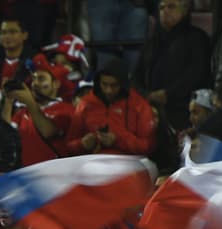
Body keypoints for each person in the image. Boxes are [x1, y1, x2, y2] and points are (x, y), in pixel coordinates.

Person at [131, 0, 211, 135]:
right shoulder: (151, 41)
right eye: (161, 8)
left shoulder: (197, 38)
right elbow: (135, 77)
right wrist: (147, 95)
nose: (165, 11)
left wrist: (168, 94)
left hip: (184, 111)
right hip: (152, 111)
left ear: (184, 10)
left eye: (171, 7)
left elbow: (197, 73)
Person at [65, 59, 156, 157]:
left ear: (123, 84)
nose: (108, 90)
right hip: (93, 160)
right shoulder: (86, 104)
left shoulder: (139, 105)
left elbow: (148, 146)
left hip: (130, 160)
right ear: (98, 82)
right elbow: (69, 146)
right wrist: (82, 144)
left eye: (114, 85)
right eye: (104, 84)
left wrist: (118, 141)